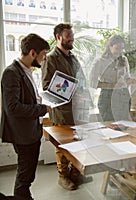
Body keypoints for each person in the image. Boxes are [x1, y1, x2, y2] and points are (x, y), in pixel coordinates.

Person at [0, 33, 51, 200]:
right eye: (43, 54)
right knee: (25, 175)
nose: (44, 59)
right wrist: (41, 109)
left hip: (31, 130)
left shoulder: (26, 70)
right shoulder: (11, 73)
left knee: (27, 174)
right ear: (32, 53)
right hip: (23, 134)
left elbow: (26, 98)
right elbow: (13, 108)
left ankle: (23, 195)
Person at [41, 23, 91, 191]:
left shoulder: (74, 57)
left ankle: (76, 174)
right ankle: (63, 176)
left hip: (79, 108)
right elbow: (47, 86)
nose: (72, 38)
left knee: (79, 141)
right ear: (58, 37)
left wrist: (82, 93)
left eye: (72, 35)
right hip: (62, 110)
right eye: (68, 35)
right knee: (63, 144)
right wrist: (71, 96)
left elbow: (82, 79)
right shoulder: (50, 58)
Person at [90, 34, 136, 121]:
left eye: (122, 48)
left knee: (124, 125)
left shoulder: (124, 59)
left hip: (123, 95)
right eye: (117, 48)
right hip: (107, 97)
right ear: (110, 46)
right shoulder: (100, 61)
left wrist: (130, 81)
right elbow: (92, 83)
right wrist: (112, 85)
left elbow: (127, 78)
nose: (120, 51)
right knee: (109, 126)